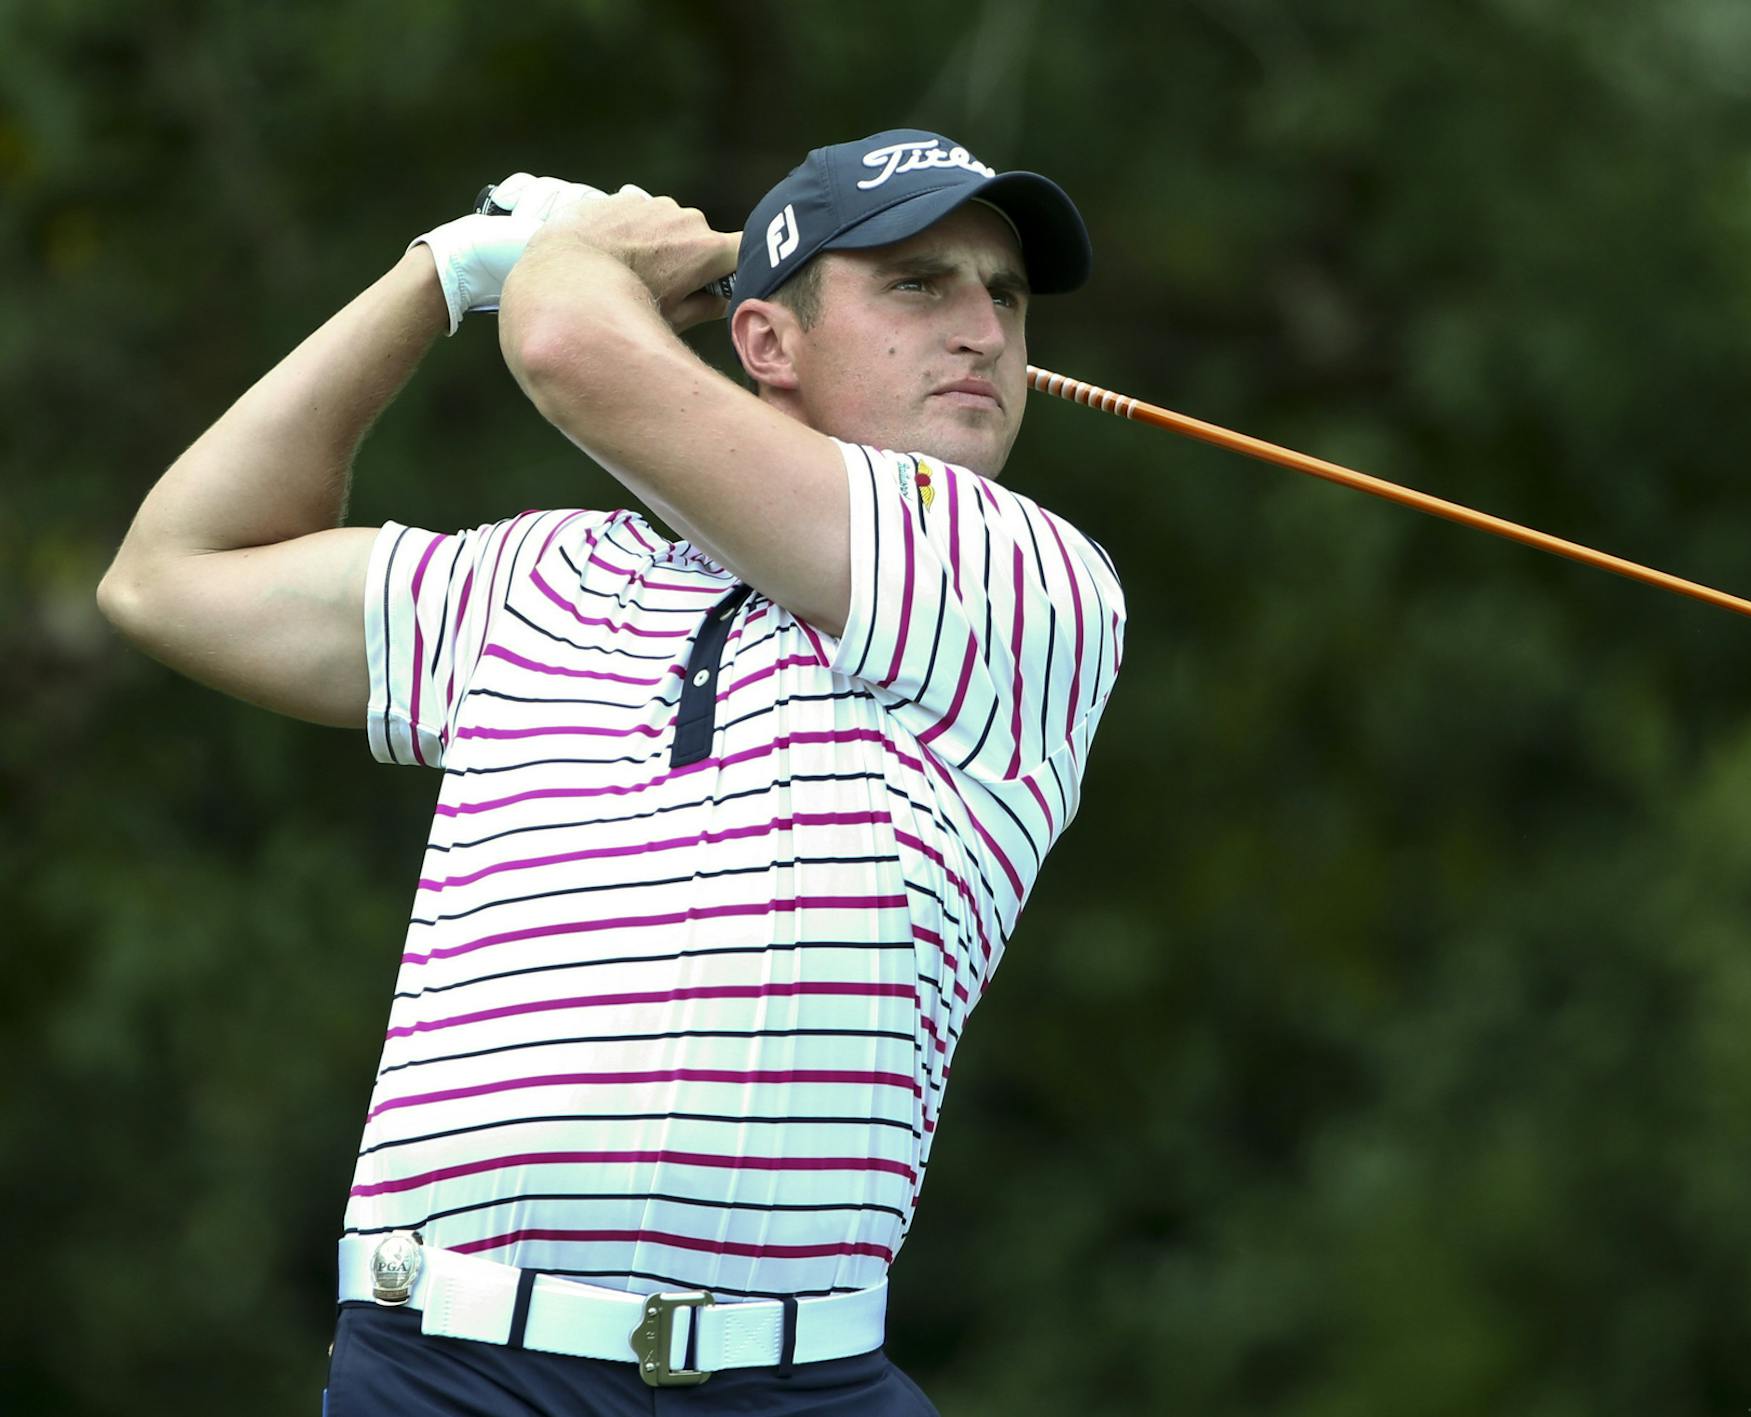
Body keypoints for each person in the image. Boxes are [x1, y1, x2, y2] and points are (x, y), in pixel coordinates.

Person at [95, 128, 1126, 1415]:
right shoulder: (540, 580)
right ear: (766, 343)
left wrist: (576, 253)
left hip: (788, 1387)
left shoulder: (1016, 577)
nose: (983, 327)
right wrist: (445, 270)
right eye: (919, 283)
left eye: (1007, 294)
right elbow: (170, 576)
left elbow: (570, 347)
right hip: (441, 1369)